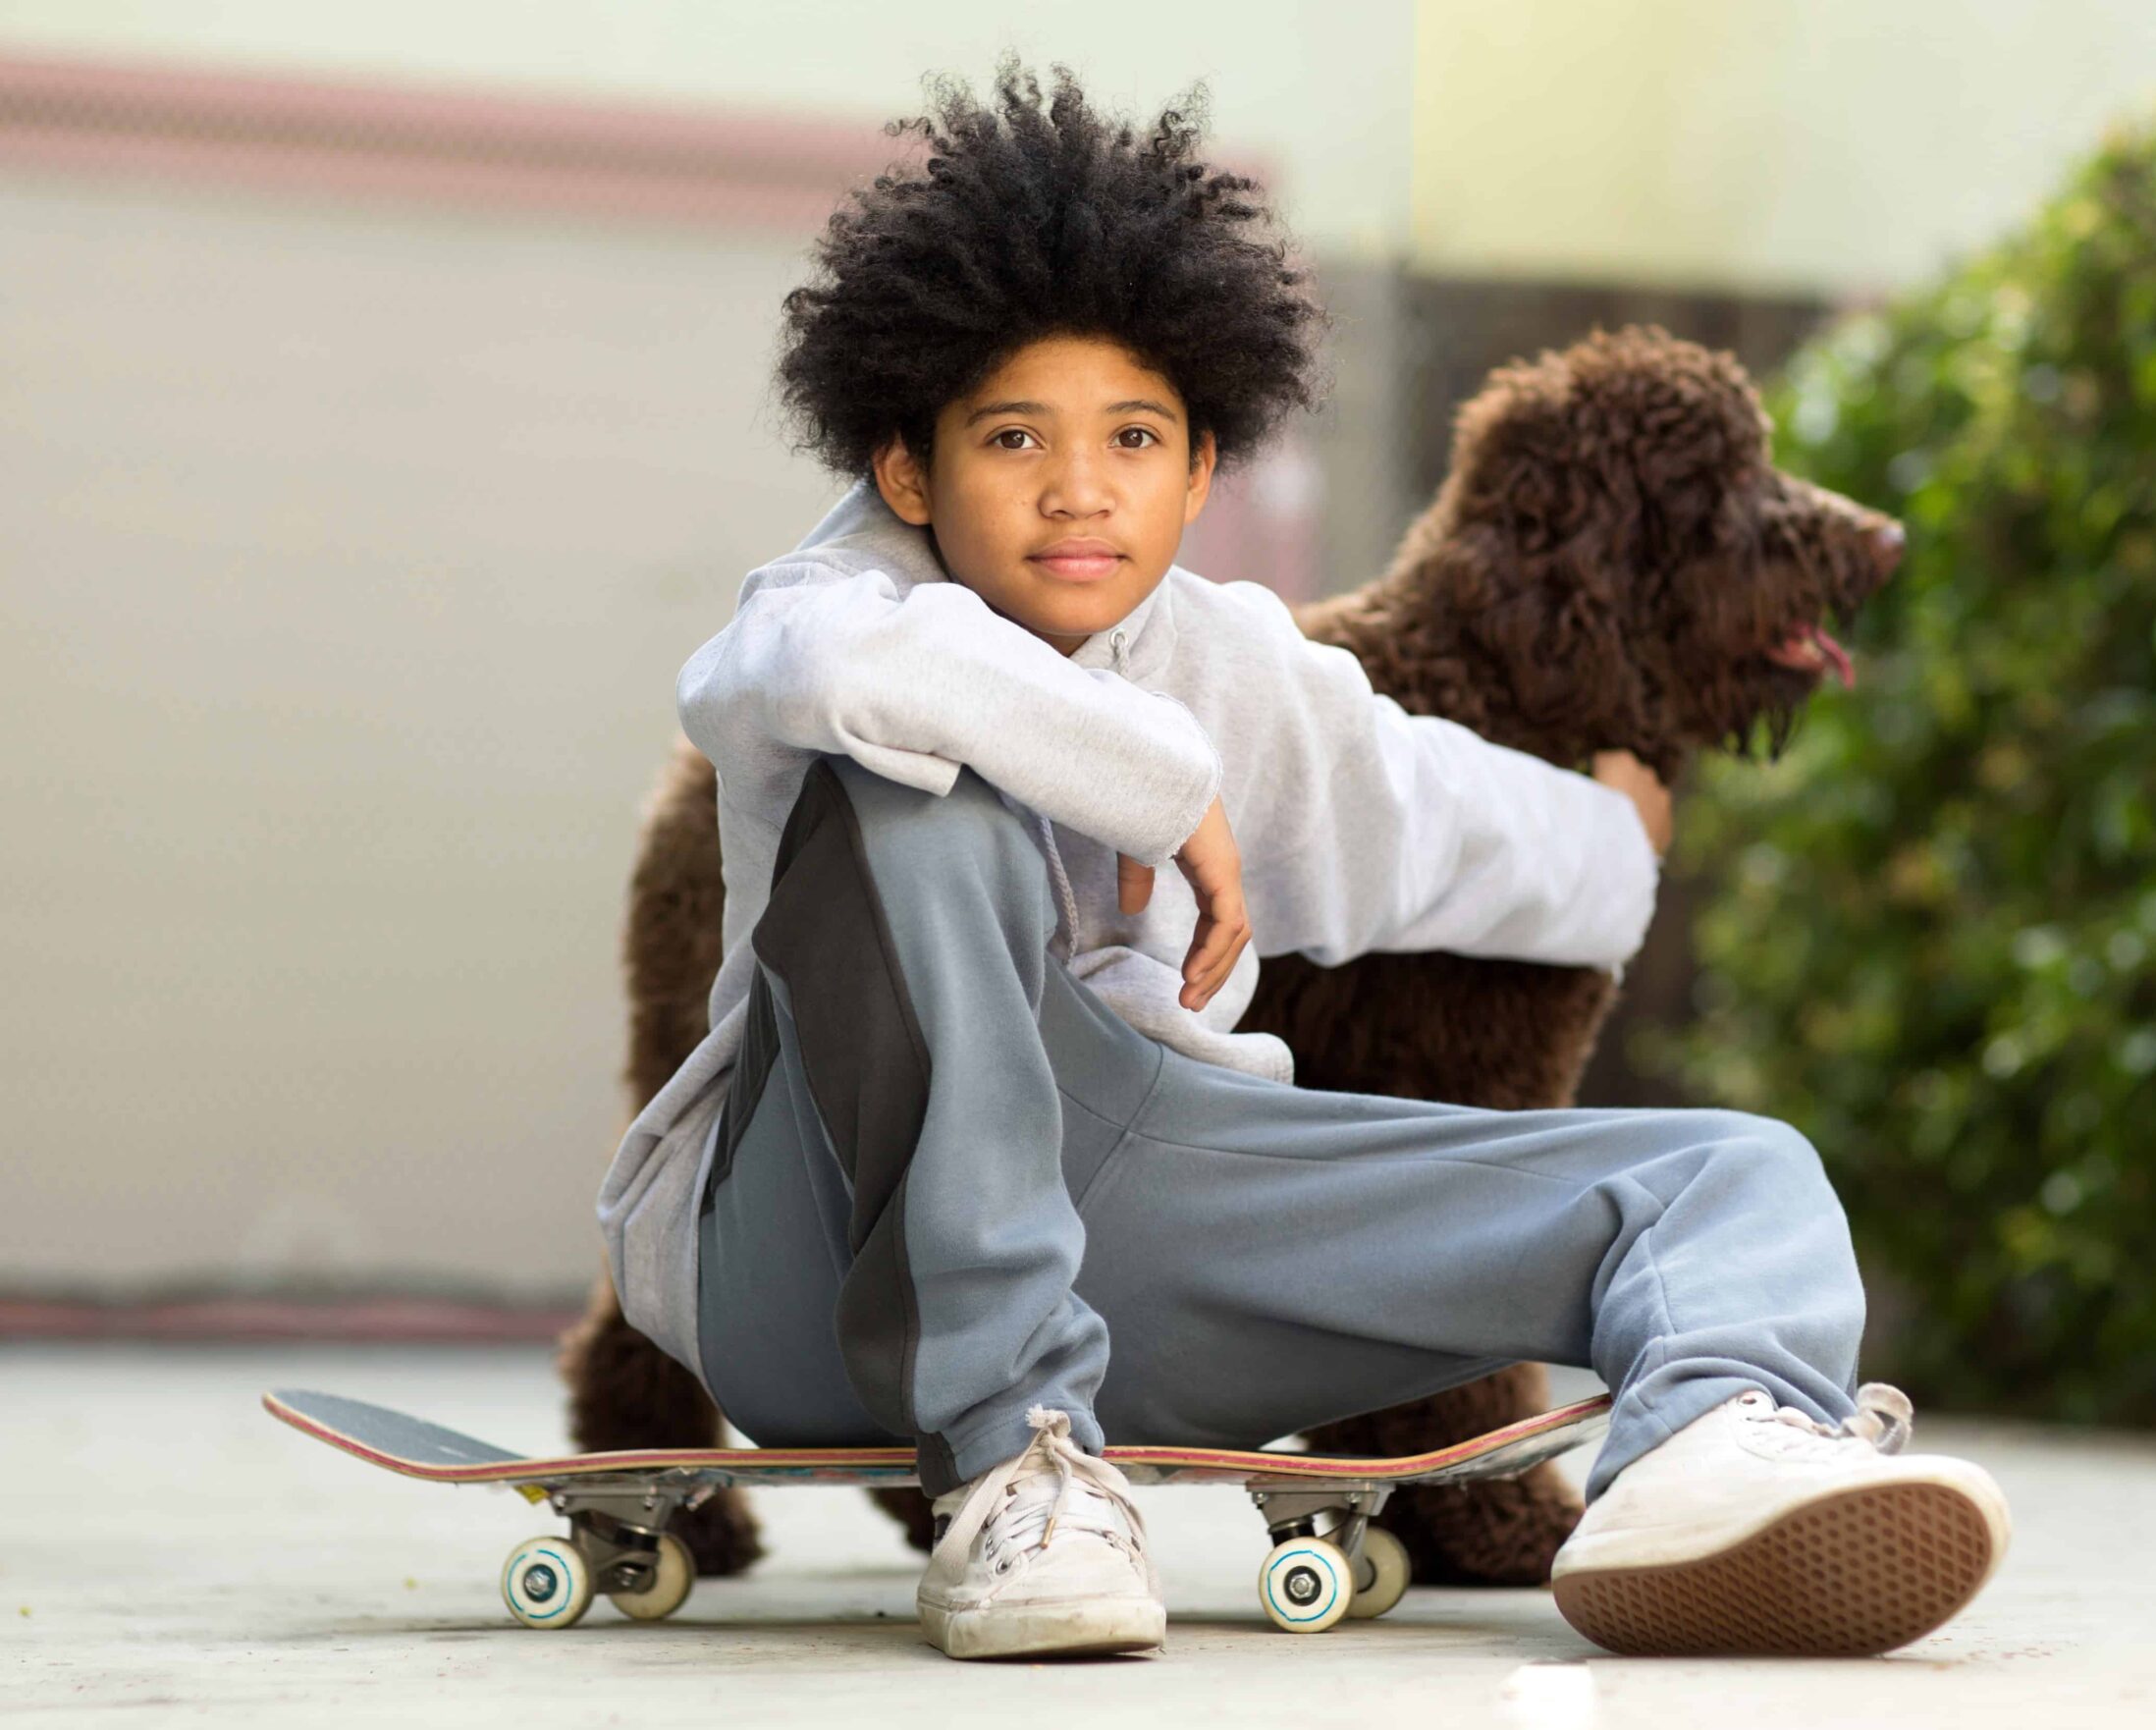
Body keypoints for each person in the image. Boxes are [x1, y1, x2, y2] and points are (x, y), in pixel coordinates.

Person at [596, 52, 2010, 1663]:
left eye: (1135, 437)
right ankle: (1012, 1467)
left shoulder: (1240, 672)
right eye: (1012, 439)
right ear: (908, 468)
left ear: (1203, 468)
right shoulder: (828, 603)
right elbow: (841, 677)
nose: (1079, 488)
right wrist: (1165, 790)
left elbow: (1436, 816)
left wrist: (1614, 830)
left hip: (1146, 1221)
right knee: (922, 796)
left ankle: (1710, 1445)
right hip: (805, 1249)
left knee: (1730, 1172)